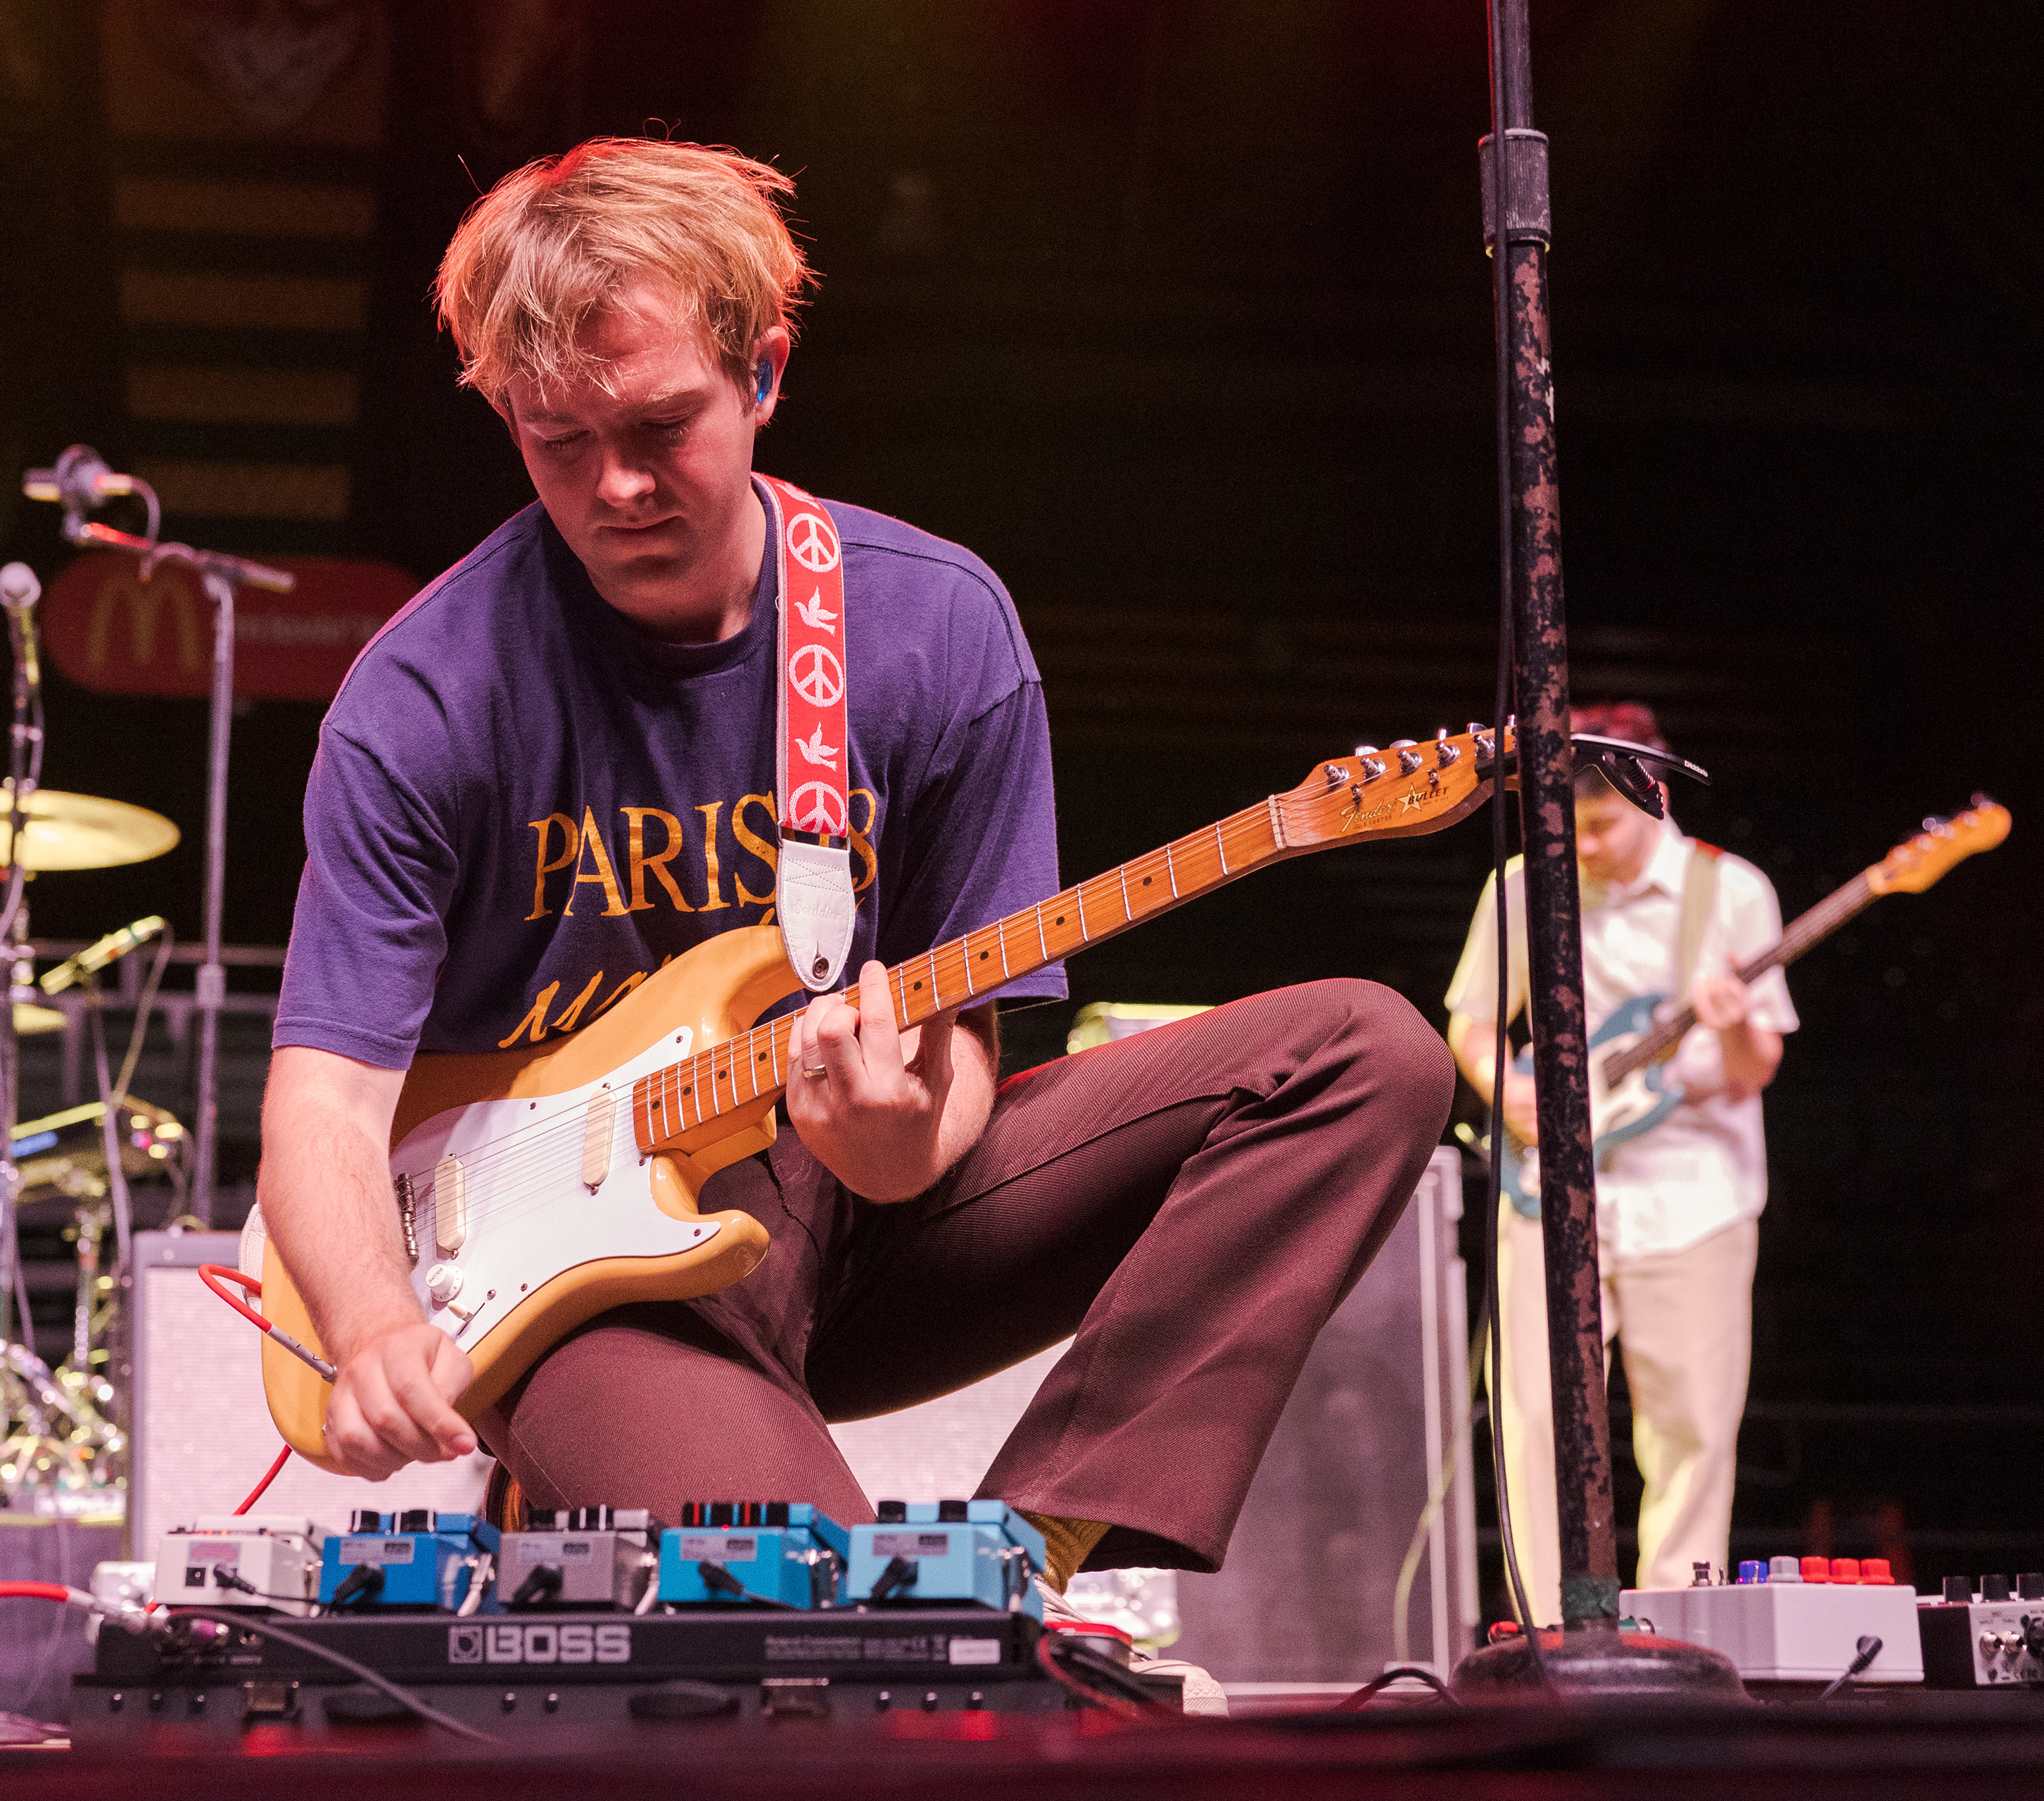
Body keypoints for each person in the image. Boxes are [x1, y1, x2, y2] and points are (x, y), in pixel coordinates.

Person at [260, 138, 1455, 1588]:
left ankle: (1035, 1542)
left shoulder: (930, 632)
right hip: (577, 1290)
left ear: (763, 372)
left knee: (1364, 1054)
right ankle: (626, 1460)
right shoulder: (427, 692)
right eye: (556, 438)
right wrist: (380, 1321)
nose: (617, 485)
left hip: (862, 1211)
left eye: (660, 424)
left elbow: (954, 1068)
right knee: (834, 1644)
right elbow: (326, 1098)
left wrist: (888, 1135)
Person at [1445, 701, 1794, 1604]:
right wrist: (1506, 1090)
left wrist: (1740, 1024)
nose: (1581, 847)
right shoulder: (1524, 883)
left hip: (1694, 1193)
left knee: (1691, 1430)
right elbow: (1473, 1023)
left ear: (1655, 800)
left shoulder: (1732, 892)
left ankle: (1680, 1623)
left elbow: (1758, 1065)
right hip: (1549, 1193)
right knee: (1532, 1418)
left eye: (1598, 826)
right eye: (1564, 826)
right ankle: (1551, 1625)